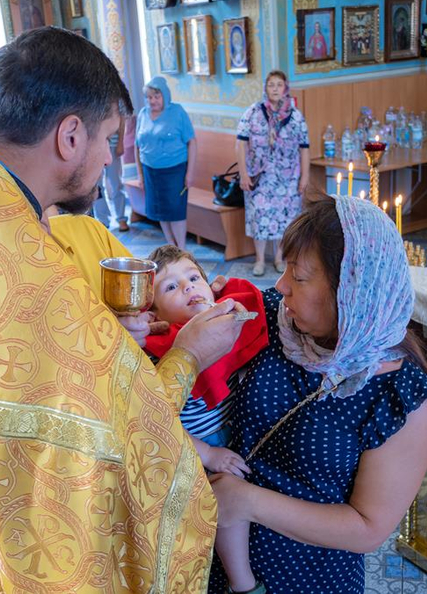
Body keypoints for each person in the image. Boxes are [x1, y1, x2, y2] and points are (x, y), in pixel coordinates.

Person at [0, 26, 246, 592]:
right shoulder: (24, 268)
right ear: (70, 135)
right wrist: (187, 355)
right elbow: (118, 431)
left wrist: (101, 338)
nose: (111, 155)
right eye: (109, 136)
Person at [207, 196, 427, 593]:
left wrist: (248, 502)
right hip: (213, 556)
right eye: (286, 269)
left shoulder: (401, 399)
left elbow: (368, 527)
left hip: (308, 576)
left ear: (351, 290)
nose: (281, 285)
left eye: (300, 277)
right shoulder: (276, 320)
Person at [143, 245, 268, 594]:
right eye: (170, 287)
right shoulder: (158, 354)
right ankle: (241, 582)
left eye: (193, 277)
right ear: (153, 312)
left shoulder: (224, 320)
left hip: (233, 434)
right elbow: (162, 423)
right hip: (193, 450)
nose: (187, 287)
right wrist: (210, 455)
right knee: (227, 506)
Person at [236, 70, 310, 276]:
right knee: (259, 217)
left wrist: (305, 176)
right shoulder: (253, 112)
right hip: (259, 176)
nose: (275, 89)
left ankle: (279, 258)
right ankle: (259, 260)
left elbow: (304, 147)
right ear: (265, 88)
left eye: (279, 84)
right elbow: (240, 143)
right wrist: (243, 173)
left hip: (288, 178)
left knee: (284, 219)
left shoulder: (295, 116)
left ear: (285, 88)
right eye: (271, 85)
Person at [135, 76, 196, 249]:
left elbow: (192, 142)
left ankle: (181, 249)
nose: (152, 100)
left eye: (156, 96)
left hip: (175, 170)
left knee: (175, 211)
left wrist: (190, 173)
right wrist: (140, 174)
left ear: (165, 95)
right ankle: (171, 245)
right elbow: (137, 146)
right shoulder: (143, 114)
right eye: (148, 97)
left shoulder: (177, 112)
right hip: (150, 171)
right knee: (160, 210)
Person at [93, 116, 129, 231]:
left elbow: (121, 119)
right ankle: (103, 220)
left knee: (116, 183)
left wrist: (120, 143)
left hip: (113, 145)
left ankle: (121, 218)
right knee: (96, 186)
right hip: (94, 147)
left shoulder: (116, 99)